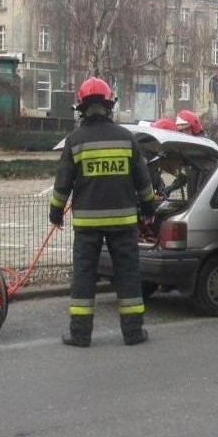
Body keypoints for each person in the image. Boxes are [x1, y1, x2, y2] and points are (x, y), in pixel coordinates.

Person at [50, 77, 156, 347]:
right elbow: (144, 182)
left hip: (87, 225)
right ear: (109, 106)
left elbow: (62, 184)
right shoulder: (126, 138)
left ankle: (80, 334)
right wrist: (148, 210)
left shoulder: (74, 141)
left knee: (84, 277)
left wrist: (56, 213)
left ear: (81, 108)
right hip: (123, 222)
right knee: (128, 276)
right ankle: (133, 333)